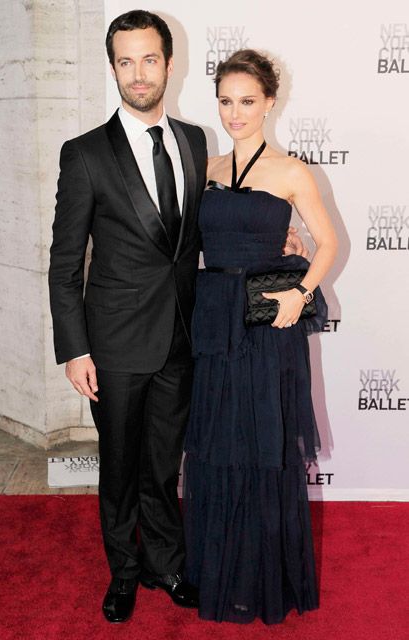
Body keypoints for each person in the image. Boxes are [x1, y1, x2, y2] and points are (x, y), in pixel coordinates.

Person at [49, 11, 306, 625]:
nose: (138, 74)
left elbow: (200, 235)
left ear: (169, 63)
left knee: (165, 464)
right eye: (125, 61)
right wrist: (74, 348)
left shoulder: (196, 143)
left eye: (149, 59)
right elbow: (63, 262)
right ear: (113, 67)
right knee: (119, 465)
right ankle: (124, 572)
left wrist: (283, 241)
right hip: (111, 343)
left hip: (184, 337)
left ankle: (166, 564)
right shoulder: (83, 154)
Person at [183, 49, 338, 626]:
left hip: (267, 326)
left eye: (247, 101)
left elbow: (326, 244)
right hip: (214, 323)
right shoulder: (209, 169)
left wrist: (300, 295)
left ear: (271, 102)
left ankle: (265, 577)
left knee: (264, 446)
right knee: (219, 447)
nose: (235, 113)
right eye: (225, 101)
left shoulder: (293, 171)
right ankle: (219, 572)